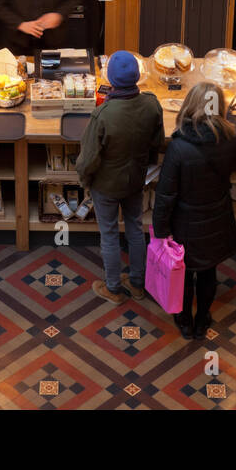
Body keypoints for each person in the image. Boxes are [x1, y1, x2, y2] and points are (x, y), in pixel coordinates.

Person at [152, 80, 236, 340]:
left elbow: (166, 194)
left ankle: (184, 321)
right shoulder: (232, 138)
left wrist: (160, 230)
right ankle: (203, 318)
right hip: (217, 216)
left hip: (185, 222)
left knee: (185, 273)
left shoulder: (179, 147)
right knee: (208, 271)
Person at [76, 50, 165, 303]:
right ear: (137, 77)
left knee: (110, 234)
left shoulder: (103, 114)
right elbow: (157, 143)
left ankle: (113, 288)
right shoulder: (151, 104)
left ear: (111, 79)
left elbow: (88, 159)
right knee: (136, 229)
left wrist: (85, 180)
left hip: (105, 185)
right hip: (135, 180)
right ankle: (137, 284)